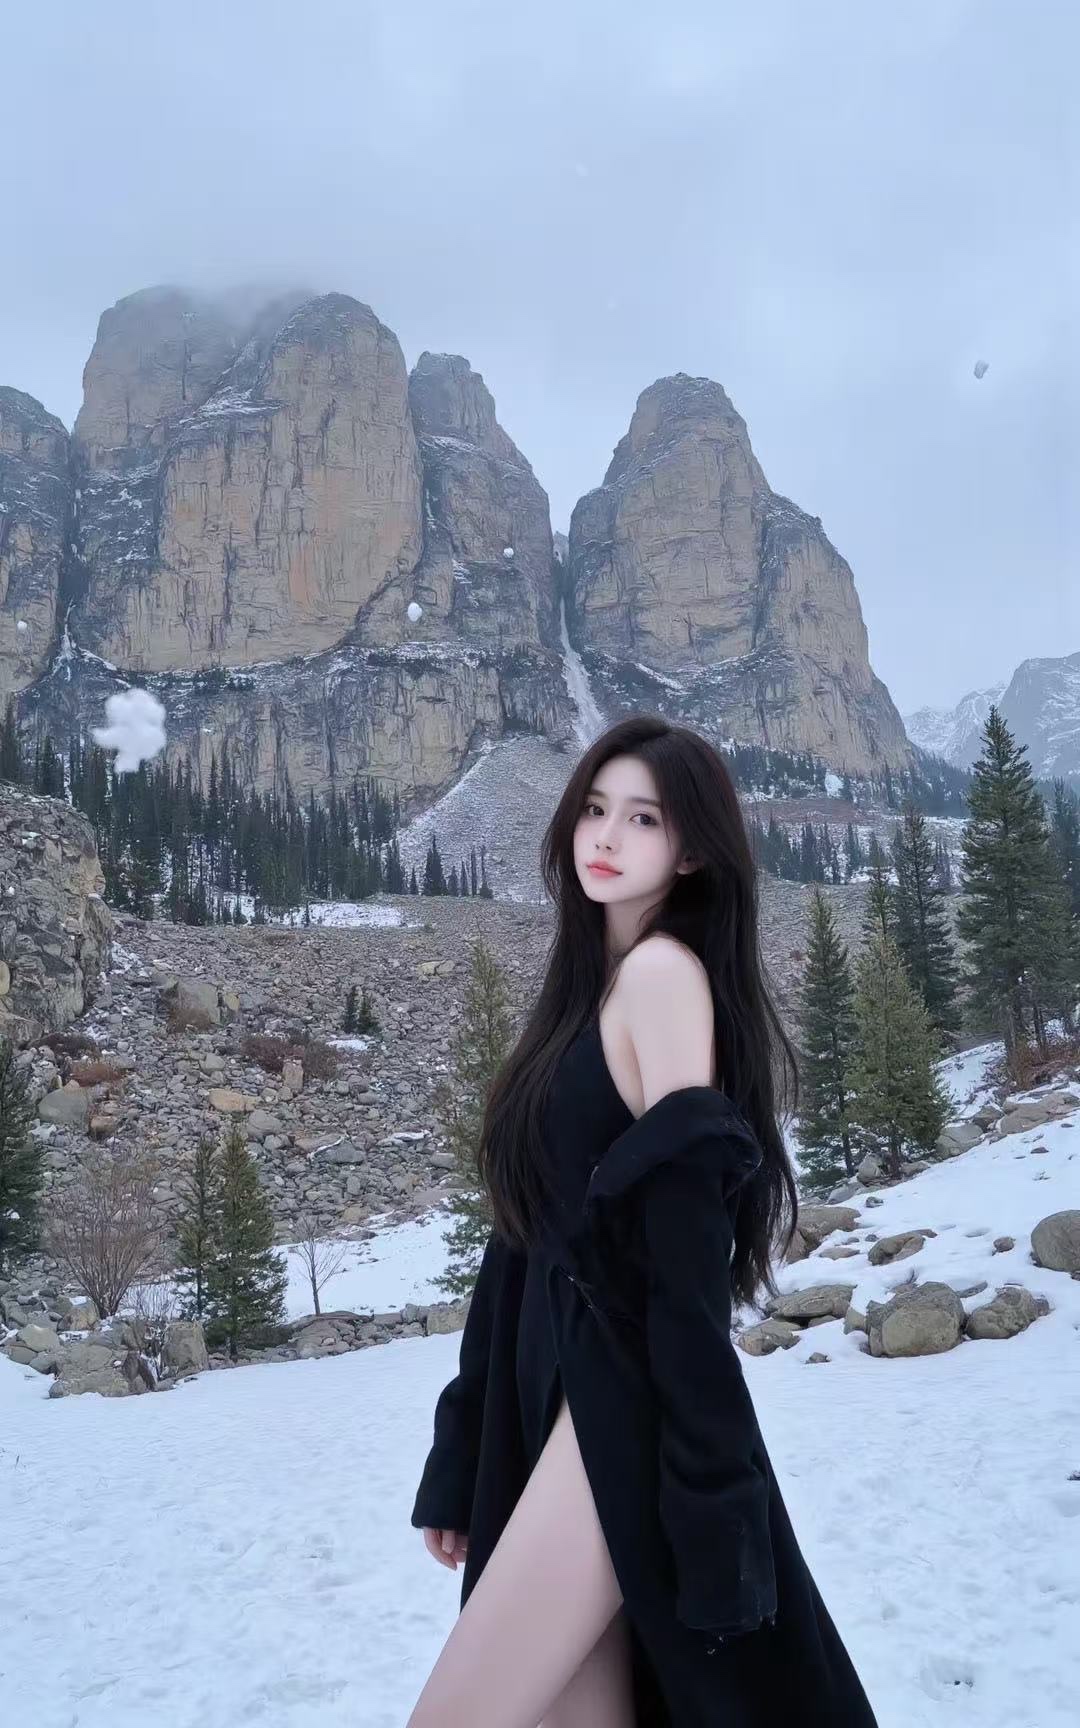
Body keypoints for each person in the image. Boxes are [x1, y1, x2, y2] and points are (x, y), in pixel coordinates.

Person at [407, 714, 879, 1728]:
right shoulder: (589, 991)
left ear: (692, 849)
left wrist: (711, 1490)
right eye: (594, 808)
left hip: (616, 1406)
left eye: (644, 818)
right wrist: (465, 1448)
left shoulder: (663, 978)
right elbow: (519, 1237)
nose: (606, 836)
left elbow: (686, 1256)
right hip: (549, 1390)